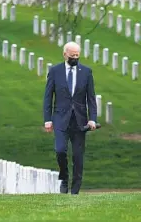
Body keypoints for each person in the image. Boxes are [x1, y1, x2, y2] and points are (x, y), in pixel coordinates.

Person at [43, 41, 97, 195]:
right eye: (72, 55)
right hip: (60, 118)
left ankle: (75, 189)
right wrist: (47, 119)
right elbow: (48, 97)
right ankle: (64, 179)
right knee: (60, 150)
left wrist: (92, 118)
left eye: (77, 55)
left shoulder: (86, 72)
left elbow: (91, 98)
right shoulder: (55, 71)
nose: (75, 58)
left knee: (78, 156)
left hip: (80, 121)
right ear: (64, 54)